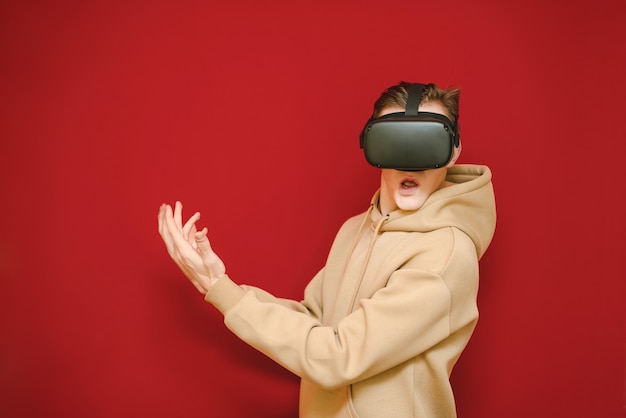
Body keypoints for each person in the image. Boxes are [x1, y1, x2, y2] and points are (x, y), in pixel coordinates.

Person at [158, 81, 497, 417]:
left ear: (453, 150)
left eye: (426, 143)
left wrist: (221, 291)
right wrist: (219, 280)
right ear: (370, 146)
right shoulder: (354, 230)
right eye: (394, 142)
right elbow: (314, 322)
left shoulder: (446, 253)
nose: (410, 161)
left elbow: (338, 355)